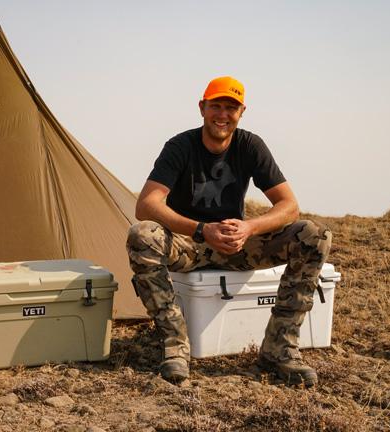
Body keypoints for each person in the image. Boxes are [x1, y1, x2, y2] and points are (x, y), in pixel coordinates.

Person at [127, 76, 332, 387]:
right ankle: (176, 347)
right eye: (216, 106)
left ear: (242, 112)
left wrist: (249, 227)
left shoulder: (251, 145)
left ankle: (279, 348)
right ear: (202, 108)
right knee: (142, 234)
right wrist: (200, 229)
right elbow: (147, 204)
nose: (222, 114)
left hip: (237, 246)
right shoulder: (180, 146)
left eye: (230, 108)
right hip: (189, 244)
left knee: (314, 234)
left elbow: (289, 205)